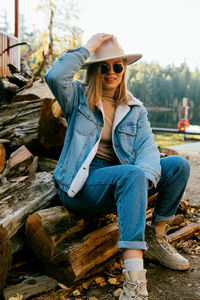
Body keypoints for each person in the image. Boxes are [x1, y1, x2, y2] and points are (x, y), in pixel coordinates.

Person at [45, 33, 190, 300]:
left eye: (117, 66)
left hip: (122, 179)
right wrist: (88, 48)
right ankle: (135, 285)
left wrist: (140, 183)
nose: (110, 72)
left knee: (178, 165)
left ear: (124, 69)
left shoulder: (135, 109)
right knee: (132, 174)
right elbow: (54, 76)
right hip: (82, 183)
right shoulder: (77, 98)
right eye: (103, 67)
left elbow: (148, 149)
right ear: (93, 70)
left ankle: (156, 237)